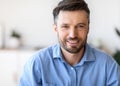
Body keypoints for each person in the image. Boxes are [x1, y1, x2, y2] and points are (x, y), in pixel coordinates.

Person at [19, 0, 120, 86]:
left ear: (88, 28)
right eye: (65, 26)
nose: (72, 35)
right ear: (55, 29)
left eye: (80, 26)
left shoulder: (108, 66)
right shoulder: (37, 64)